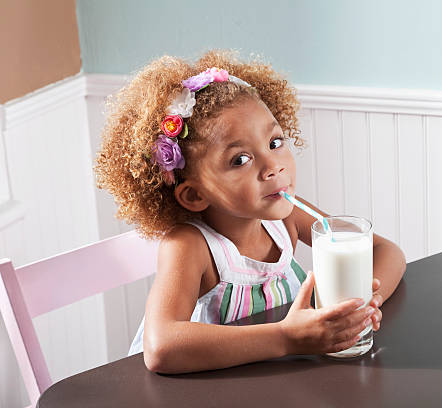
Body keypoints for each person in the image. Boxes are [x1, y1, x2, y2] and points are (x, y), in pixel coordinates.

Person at [95, 50, 406, 374]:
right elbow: (161, 347)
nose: (273, 166)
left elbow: (388, 251)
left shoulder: (286, 217)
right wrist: (287, 338)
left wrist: (364, 308)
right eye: (240, 160)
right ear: (194, 195)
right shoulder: (190, 246)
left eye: (274, 142)